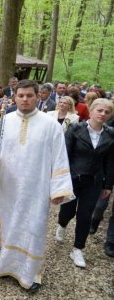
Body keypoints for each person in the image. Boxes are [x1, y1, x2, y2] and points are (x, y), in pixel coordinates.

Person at [0, 79, 74, 293]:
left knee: (34, 229)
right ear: (14, 96)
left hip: (37, 188)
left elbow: (60, 157)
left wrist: (59, 188)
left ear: (38, 95)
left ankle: (30, 275)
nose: (24, 99)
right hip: (9, 187)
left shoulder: (50, 125)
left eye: (29, 95)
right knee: (10, 225)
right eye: (20, 95)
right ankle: (6, 266)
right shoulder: (2, 123)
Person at [55, 98, 114, 267]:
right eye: (100, 110)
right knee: (68, 210)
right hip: (73, 178)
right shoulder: (75, 129)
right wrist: (61, 178)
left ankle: (78, 249)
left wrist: (108, 185)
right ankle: (62, 224)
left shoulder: (110, 134)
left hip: (94, 181)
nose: (103, 114)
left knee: (85, 215)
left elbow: (110, 162)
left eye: (107, 112)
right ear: (92, 110)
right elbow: (64, 154)